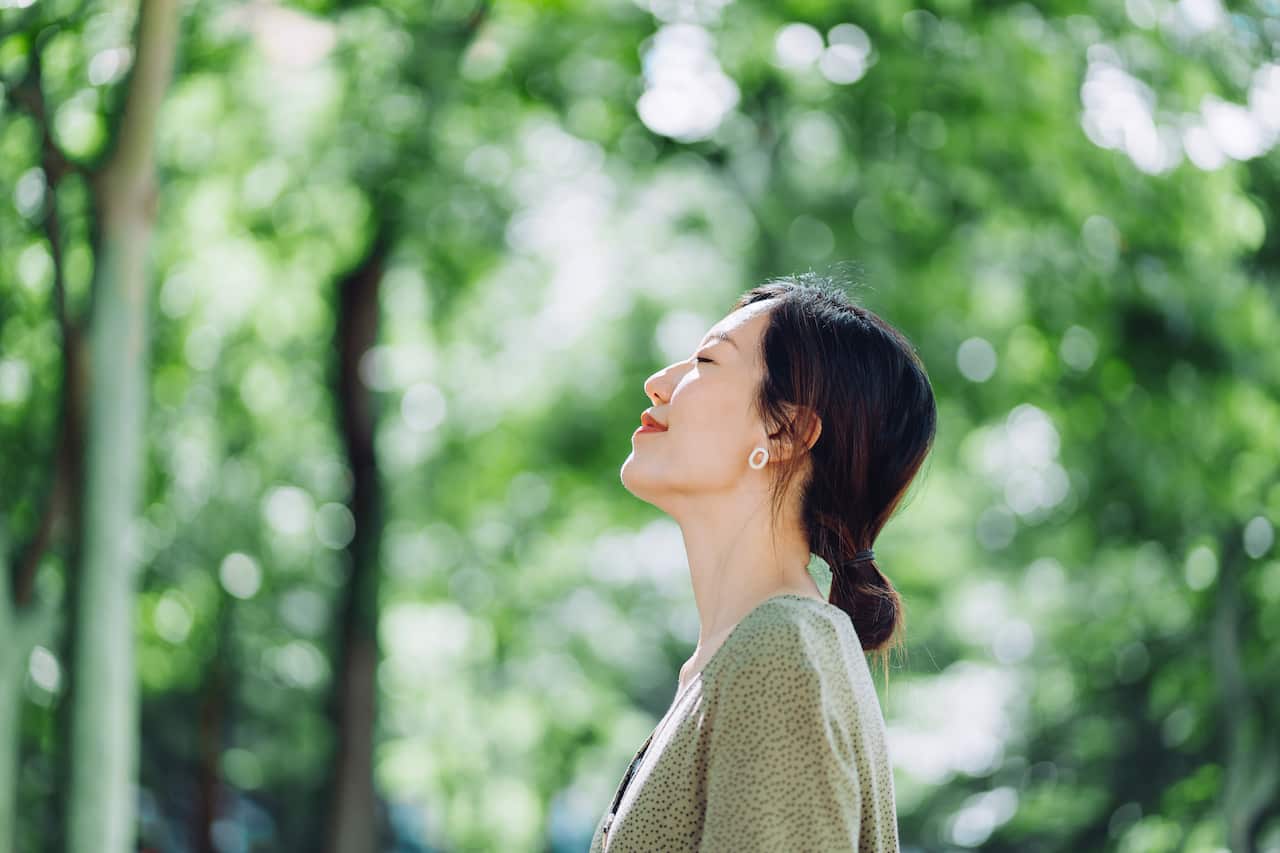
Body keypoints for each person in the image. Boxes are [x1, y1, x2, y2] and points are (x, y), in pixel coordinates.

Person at [589, 273, 938, 852]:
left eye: (705, 360)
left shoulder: (780, 652)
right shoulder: (740, 659)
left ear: (785, 430)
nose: (657, 383)